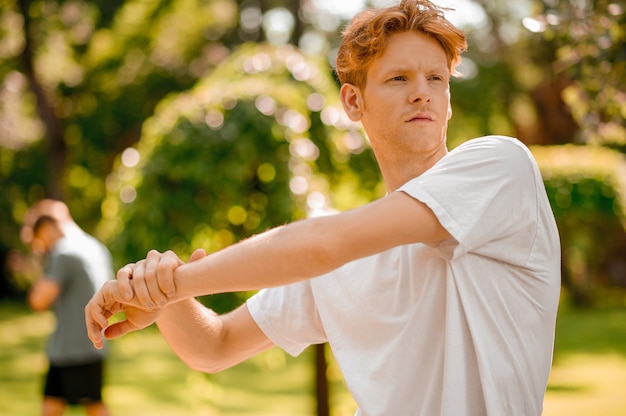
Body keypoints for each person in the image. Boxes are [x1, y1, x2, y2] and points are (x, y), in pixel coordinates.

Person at [85, 0, 561, 415]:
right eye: (399, 78)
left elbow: (323, 246)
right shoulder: (344, 251)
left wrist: (176, 282)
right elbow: (215, 345)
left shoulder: (500, 167)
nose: (423, 92)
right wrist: (162, 296)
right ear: (353, 101)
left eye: (436, 78)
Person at [26, 206, 112, 416]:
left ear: (46, 230)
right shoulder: (95, 246)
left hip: (75, 349)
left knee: (94, 407)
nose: (41, 247)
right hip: (80, 346)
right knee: (51, 406)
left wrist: (32, 267)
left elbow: (39, 301)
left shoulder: (63, 251)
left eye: (38, 240)